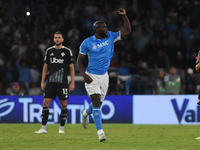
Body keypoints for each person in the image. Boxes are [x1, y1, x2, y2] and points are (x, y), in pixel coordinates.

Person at [77, 8, 131, 142]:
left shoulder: (112, 36)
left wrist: (124, 16)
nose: (106, 29)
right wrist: (83, 74)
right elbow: (79, 60)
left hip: (104, 76)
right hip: (91, 76)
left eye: (106, 27)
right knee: (95, 101)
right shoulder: (87, 42)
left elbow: (128, 31)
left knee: (98, 105)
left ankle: (85, 113)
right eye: (104, 28)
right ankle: (100, 132)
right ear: (97, 30)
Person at [35, 31, 75, 134]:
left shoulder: (67, 51)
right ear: (54, 39)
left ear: (62, 39)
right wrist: (43, 82)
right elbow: (45, 67)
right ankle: (43, 128)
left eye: (59, 38)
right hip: (51, 82)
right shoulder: (49, 51)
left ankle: (61, 128)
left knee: (63, 103)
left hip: (62, 82)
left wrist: (72, 82)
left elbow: (71, 68)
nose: (57, 39)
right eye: (56, 37)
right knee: (45, 103)